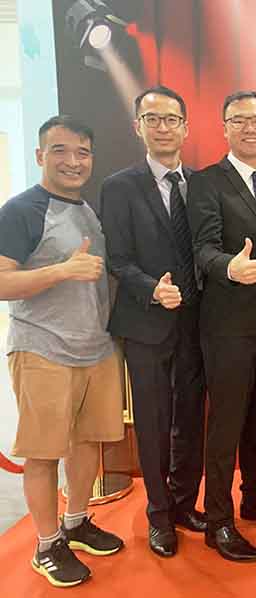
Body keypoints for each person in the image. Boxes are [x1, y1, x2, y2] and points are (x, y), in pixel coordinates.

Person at [0, 116, 124, 587]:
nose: (72, 161)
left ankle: (76, 521)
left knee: (87, 442)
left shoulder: (88, 211)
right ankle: (46, 543)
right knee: (43, 452)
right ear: (39, 156)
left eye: (82, 152)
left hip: (95, 347)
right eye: (60, 151)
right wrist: (59, 272)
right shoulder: (21, 210)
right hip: (43, 350)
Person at [187, 90, 256, 563]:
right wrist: (228, 268)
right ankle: (218, 521)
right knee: (227, 426)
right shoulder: (208, 182)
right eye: (240, 120)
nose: (250, 128)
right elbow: (203, 248)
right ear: (225, 127)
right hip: (228, 325)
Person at [100, 85, 207, 558]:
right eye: (153, 119)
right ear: (138, 127)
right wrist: (151, 288)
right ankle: (159, 513)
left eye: (172, 119)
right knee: (153, 421)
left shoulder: (201, 184)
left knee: (190, 418)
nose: (163, 127)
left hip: (198, 323)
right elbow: (118, 259)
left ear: (186, 127)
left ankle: (185, 503)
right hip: (145, 322)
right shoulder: (119, 186)